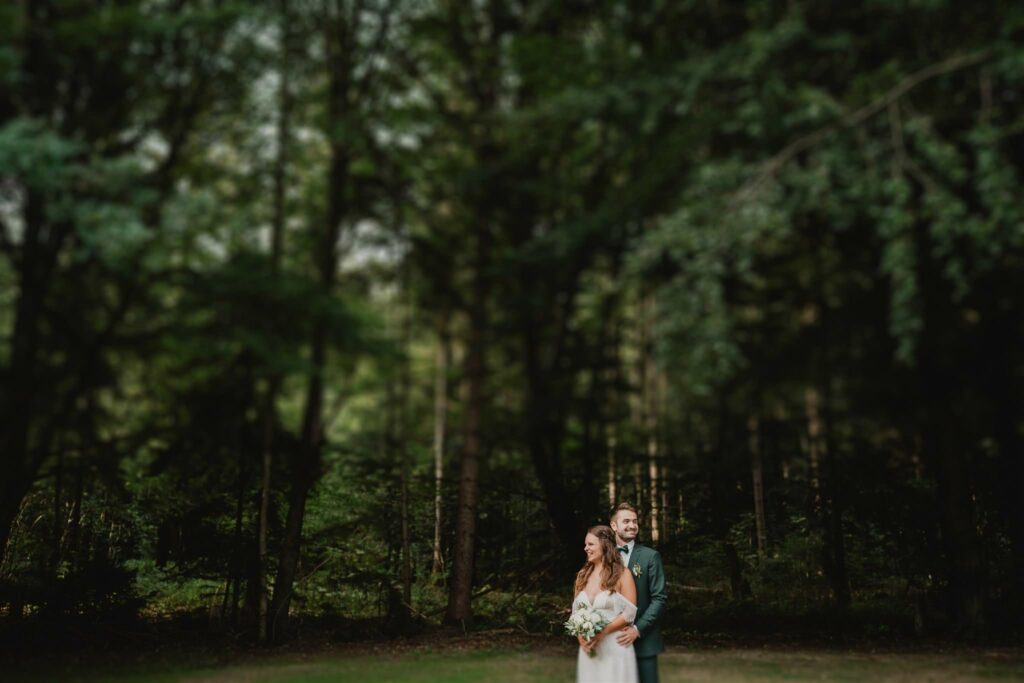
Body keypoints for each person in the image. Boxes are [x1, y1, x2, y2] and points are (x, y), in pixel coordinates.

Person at [572, 525, 640, 683]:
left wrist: (603, 632)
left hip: (615, 646)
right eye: (585, 544)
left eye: (590, 544)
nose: (585, 548)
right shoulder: (582, 575)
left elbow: (630, 614)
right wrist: (580, 637)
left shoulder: (623, 574)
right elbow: (575, 613)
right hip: (589, 648)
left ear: (604, 544)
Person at [610, 502, 667, 683]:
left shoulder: (650, 556)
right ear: (614, 526)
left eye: (635, 521)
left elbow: (659, 599)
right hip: (612, 642)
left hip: (644, 642)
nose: (632, 525)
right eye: (626, 521)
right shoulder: (605, 556)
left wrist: (637, 629)